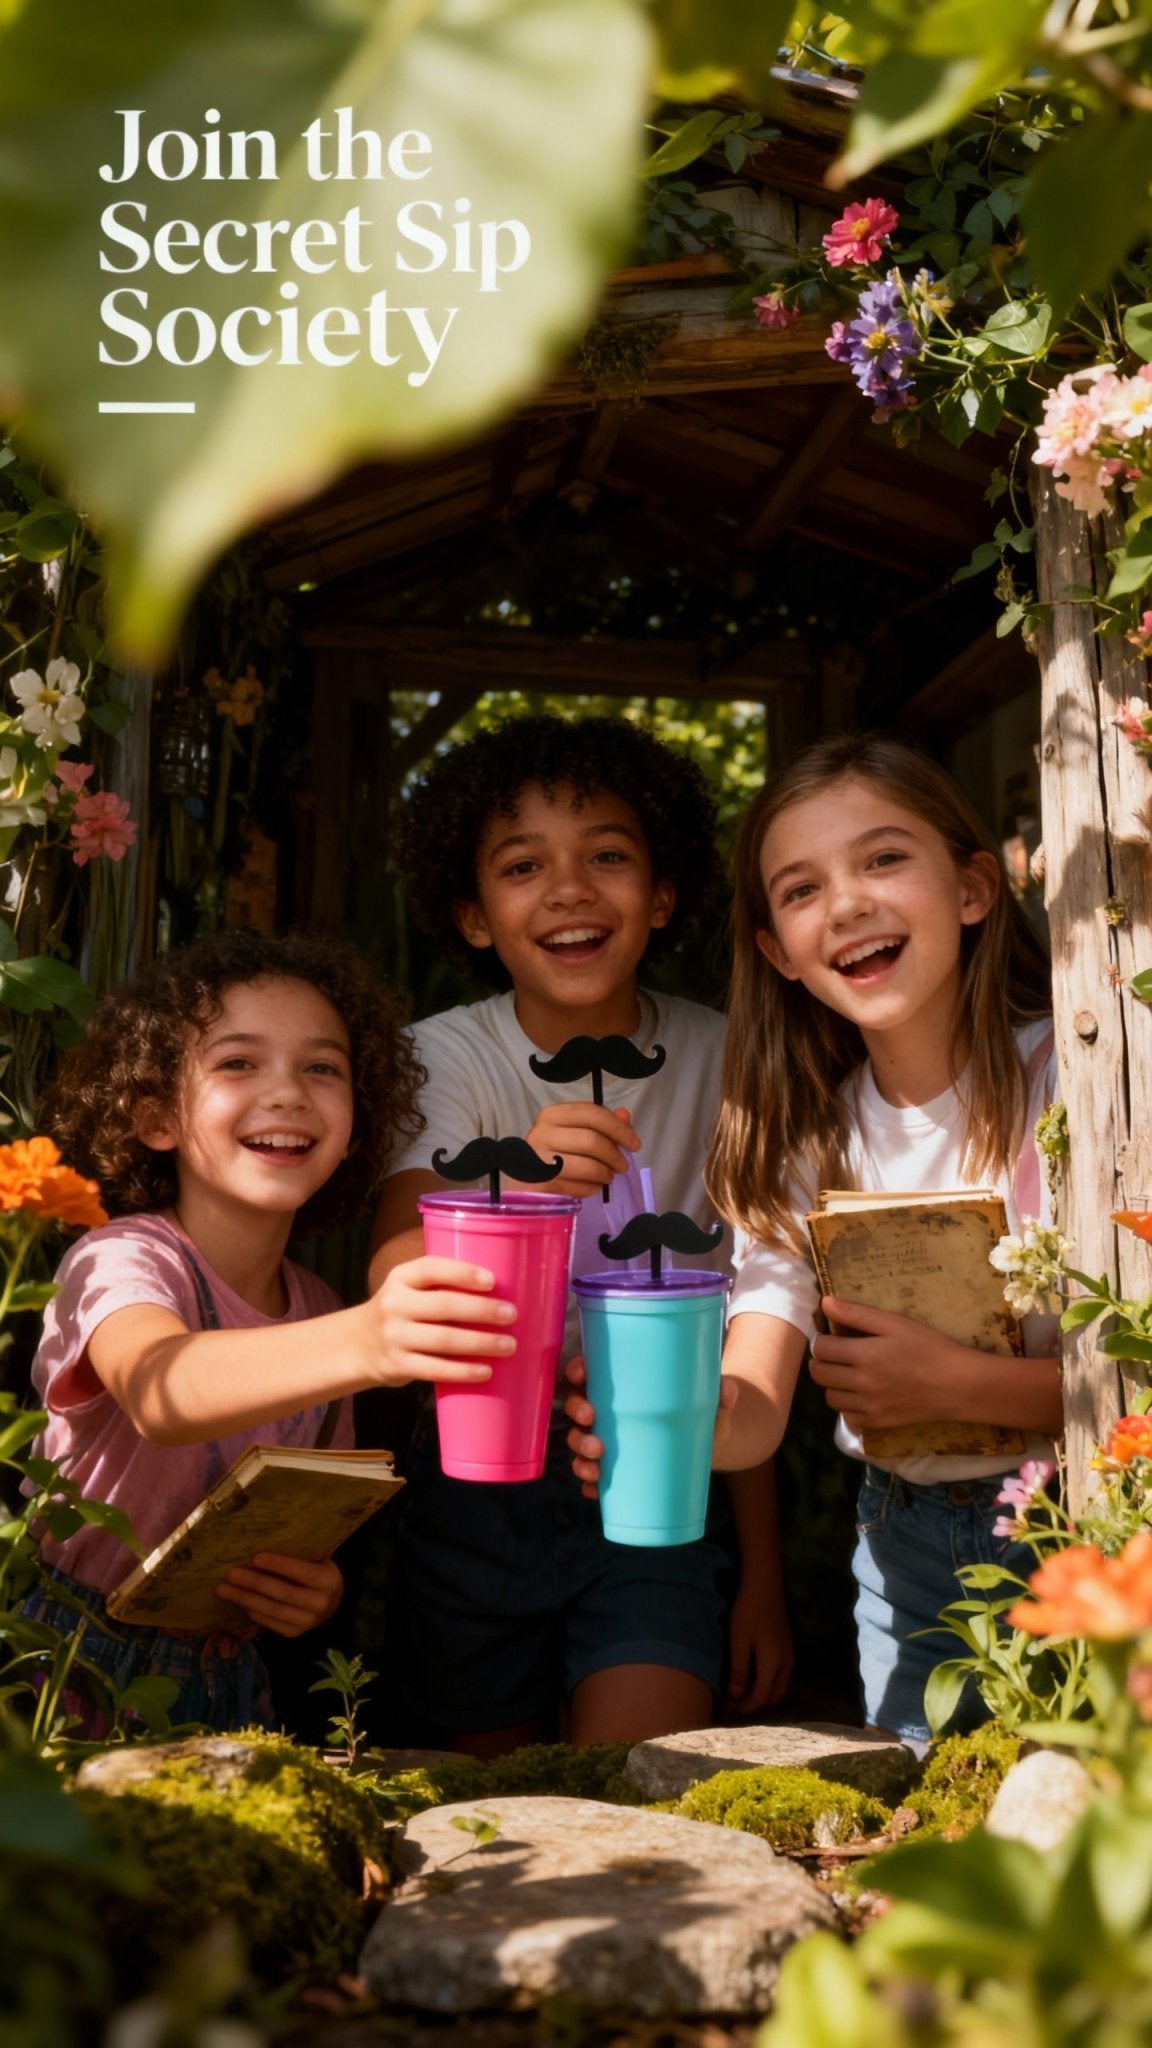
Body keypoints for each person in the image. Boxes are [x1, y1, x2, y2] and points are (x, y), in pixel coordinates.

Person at [568, 731, 1064, 1749]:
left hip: (1089, 1524)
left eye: (883, 858)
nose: (845, 905)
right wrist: (668, 1428)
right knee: (932, 1821)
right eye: (802, 889)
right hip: (906, 1554)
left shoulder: (1081, 1083)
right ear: (778, 953)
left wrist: (970, 1387)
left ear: (974, 888)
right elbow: (753, 1409)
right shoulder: (804, 1143)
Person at [370, 712, 793, 1754]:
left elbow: (748, 1330)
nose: (568, 889)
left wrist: (764, 1579)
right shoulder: (441, 1058)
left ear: (663, 894)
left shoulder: (734, 1059)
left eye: (607, 854)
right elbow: (394, 1274)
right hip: (473, 1483)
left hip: (664, 1473)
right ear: (473, 916)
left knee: (641, 1782)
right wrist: (519, 1181)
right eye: (523, 866)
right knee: (488, 1813)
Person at [24, 930, 516, 1733]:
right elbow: (162, 1391)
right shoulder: (120, 1258)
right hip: (62, 1672)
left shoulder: (321, 1309)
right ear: (155, 1117)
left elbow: (300, 1520)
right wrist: (369, 1341)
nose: (287, 1092)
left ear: (356, 1128)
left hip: (229, 1683)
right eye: (238, 1063)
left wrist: (312, 1590)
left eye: (322, 1068)